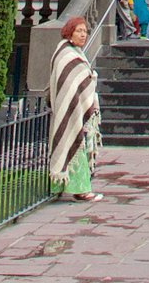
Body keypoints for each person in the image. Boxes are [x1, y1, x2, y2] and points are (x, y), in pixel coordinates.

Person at [46, 14, 103, 203]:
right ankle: (81, 190)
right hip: (71, 110)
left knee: (74, 145)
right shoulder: (66, 54)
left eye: (85, 31)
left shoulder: (76, 52)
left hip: (78, 110)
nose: (83, 35)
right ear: (69, 33)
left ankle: (60, 184)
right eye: (79, 31)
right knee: (73, 143)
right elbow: (68, 83)